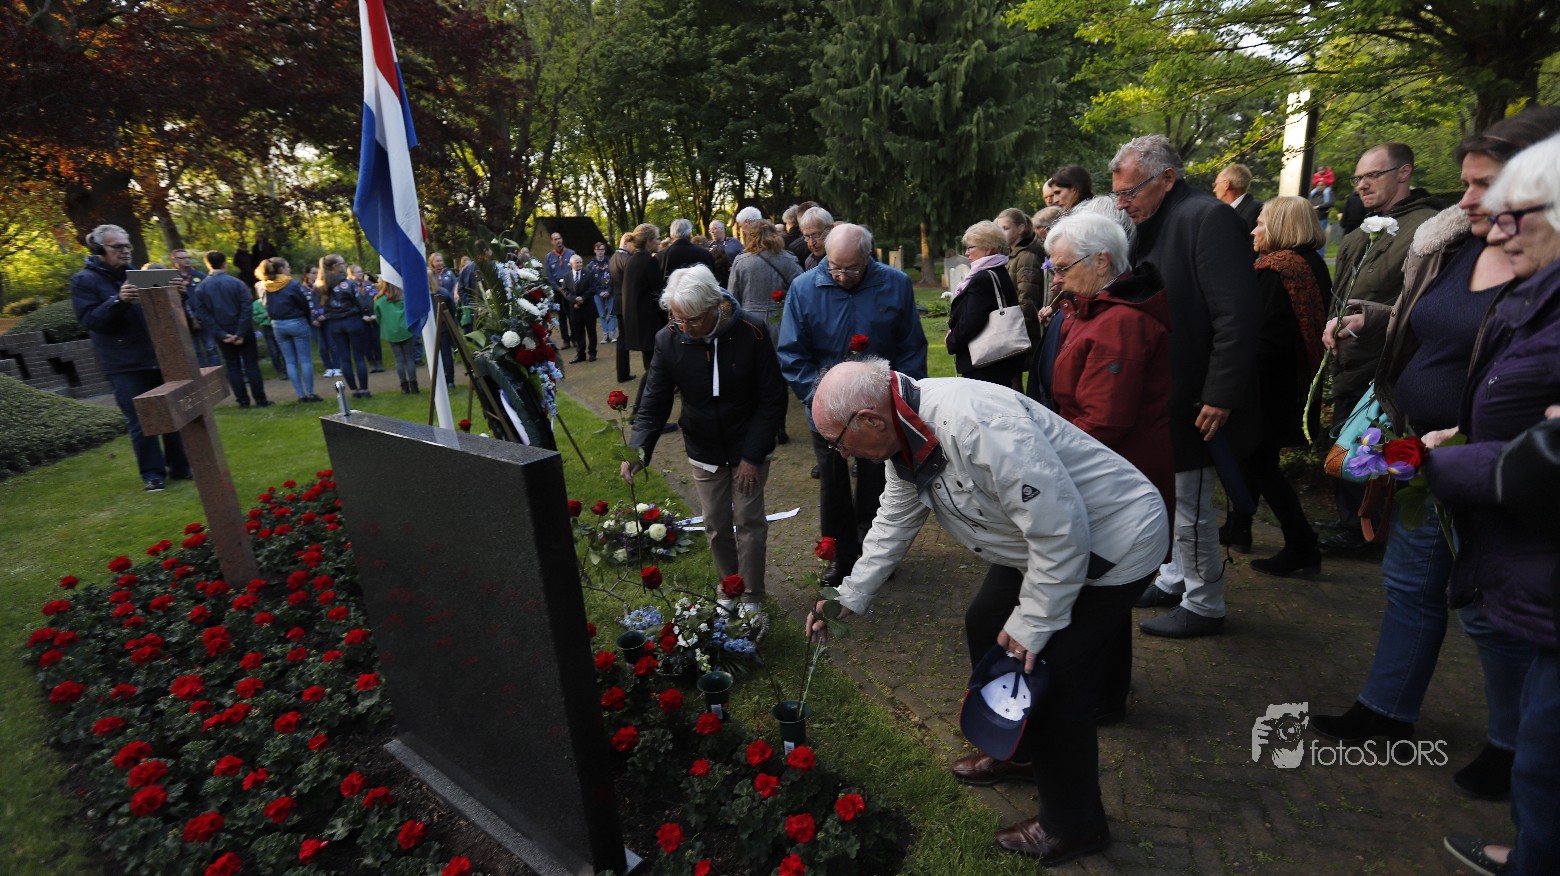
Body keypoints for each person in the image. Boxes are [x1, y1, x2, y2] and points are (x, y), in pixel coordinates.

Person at [806, 359, 1169, 868]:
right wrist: (848, 595)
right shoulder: (904, 430)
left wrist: (1033, 623)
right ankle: (1020, 750)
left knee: (1053, 679)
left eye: (839, 442)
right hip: (1036, 543)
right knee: (985, 622)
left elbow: (1062, 531)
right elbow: (895, 519)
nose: (841, 454)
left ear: (869, 418)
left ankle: (1075, 826)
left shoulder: (978, 424)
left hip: (1111, 542)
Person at [1312, 110, 1560, 808]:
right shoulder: (1448, 245)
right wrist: (1372, 319)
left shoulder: (1539, 263)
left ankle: (1514, 745)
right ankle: (1386, 709)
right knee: (1409, 583)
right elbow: (1426, 320)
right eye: (1467, 183)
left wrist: (1475, 441)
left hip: (1492, 463)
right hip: (1419, 448)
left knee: (1491, 610)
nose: (1469, 200)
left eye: (1486, 186)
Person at [1424, 132, 1560, 876]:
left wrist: (1451, 463)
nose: (1497, 231)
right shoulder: (1536, 294)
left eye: (1513, 213)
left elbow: (1544, 461)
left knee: (1545, 753)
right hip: (1531, 563)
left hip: (1537, 554)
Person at [1109, 134, 1260, 639]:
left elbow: (1236, 314)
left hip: (1195, 391)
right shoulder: (1157, 220)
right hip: (1165, 389)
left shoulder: (1208, 218)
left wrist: (1220, 393)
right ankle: (1175, 578)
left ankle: (1204, 602)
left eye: (1130, 192)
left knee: (1191, 501)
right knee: (1171, 494)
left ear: (1167, 178)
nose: (1122, 204)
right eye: (1118, 194)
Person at [621, 264, 787, 612]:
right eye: (677, 318)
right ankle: (729, 589)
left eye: (692, 320)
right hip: (703, 446)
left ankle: (752, 597)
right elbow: (653, 402)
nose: (684, 327)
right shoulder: (668, 339)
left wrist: (752, 456)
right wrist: (638, 450)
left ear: (714, 306)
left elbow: (772, 398)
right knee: (715, 524)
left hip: (748, 443)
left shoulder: (751, 331)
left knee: (748, 521)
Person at [777, 223, 929, 587]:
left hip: (879, 412)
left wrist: (897, 400)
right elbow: (792, 353)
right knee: (832, 484)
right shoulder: (804, 288)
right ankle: (840, 556)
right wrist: (820, 400)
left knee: (879, 482)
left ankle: (874, 554)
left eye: (851, 269)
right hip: (826, 411)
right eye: (835, 268)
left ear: (867, 256)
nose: (842, 276)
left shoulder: (895, 284)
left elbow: (910, 347)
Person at [1322, 143, 1441, 555]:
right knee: (1347, 438)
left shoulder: (1426, 229)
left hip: (1385, 363)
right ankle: (1349, 520)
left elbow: (1420, 304)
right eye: (1358, 178)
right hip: (1349, 356)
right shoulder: (1364, 229)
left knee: (1371, 443)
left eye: (1372, 175)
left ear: (1403, 173)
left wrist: (1369, 322)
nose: (1361, 185)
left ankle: (1367, 529)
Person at [1223, 196, 1330, 575]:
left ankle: (1301, 543)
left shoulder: (1276, 269)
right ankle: (1239, 527)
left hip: (1267, 384)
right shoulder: (1310, 264)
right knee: (1257, 459)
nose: (1254, 230)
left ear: (1282, 226)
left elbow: (1264, 337)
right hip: (1293, 382)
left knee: (1257, 460)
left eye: (1261, 223)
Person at [70, 224, 192, 492]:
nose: (125, 251)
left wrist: (178, 295)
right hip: (124, 362)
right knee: (141, 420)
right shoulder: (84, 280)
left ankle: (180, 466)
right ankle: (152, 474)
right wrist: (118, 301)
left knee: (170, 412)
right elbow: (90, 320)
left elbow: (164, 314)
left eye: (127, 246)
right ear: (99, 249)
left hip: (157, 355)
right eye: (118, 247)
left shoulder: (138, 275)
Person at [729, 222, 804, 445]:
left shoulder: (741, 262)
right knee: (778, 378)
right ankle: (779, 426)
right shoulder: (787, 259)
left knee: (753, 376)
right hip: (780, 322)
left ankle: (758, 426)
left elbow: (733, 297)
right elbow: (801, 290)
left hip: (750, 324)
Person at [946, 220, 1024, 388]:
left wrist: (951, 340)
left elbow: (972, 321)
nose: (967, 253)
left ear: (988, 248)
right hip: (999, 360)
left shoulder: (983, 278)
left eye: (970, 247)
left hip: (985, 362)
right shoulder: (998, 271)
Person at [191, 250, 270, 409]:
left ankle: (242, 401)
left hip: (223, 329)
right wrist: (240, 332)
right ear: (224, 264)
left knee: (232, 366)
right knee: (251, 364)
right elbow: (246, 307)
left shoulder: (201, 288)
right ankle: (260, 400)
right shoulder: (237, 283)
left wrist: (222, 334)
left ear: (208, 265)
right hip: (240, 328)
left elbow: (203, 313)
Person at [259, 257, 319, 402]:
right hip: (297, 322)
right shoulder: (292, 284)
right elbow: (303, 303)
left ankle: (300, 394)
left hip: (278, 325)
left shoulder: (266, 286)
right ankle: (310, 393)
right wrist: (307, 318)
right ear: (281, 269)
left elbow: (265, 305)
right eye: (287, 267)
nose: (289, 269)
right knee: (305, 360)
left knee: (290, 361)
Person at [622, 224, 666, 409]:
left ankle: (644, 411)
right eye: (657, 238)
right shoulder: (649, 261)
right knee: (654, 370)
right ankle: (640, 410)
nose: (659, 241)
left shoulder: (632, 260)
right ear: (648, 241)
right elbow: (659, 295)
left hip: (637, 324)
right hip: (649, 324)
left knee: (653, 369)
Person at [318, 254, 372, 398]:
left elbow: (320, 306)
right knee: (359, 357)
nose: (345, 265)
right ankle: (364, 390)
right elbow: (360, 302)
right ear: (335, 267)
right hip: (353, 321)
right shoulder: (349, 284)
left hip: (334, 325)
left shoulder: (321, 285)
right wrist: (364, 313)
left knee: (344, 359)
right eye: (343, 263)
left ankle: (354, 391)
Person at [996, 207, 1048, 343]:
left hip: (1024, 334)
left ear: (1020, 229)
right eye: (999, 229)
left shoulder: (1027, 257)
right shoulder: (1012, 254)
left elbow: (1027, 300)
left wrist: (1016, 332)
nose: (1001, 233)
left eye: (1006, 228)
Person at [171, 248, 218, 368]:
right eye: (182, 258)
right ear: (175, 260)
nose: (186, 260)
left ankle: (216, 375)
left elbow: (209, 295)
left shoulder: (199, 275)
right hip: (184, 321)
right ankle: (201, 376)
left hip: (203, 318)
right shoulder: (171, 278)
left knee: (211, 348)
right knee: (195, 352)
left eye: (188, 257)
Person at [374, 280, 418, 394]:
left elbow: (378, 317)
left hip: (390, 332)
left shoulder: (379, 300)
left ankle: (404, 387)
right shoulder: (404, 297)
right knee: (409, 358)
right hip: (406, 330)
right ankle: (414, 386)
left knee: (399, 360)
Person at [428, 252, 459, 387]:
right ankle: (448, 380)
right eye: (437, 261)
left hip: (439, 326)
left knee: (441, 353)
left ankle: (446, 380)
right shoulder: (441, 292)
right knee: (444, 353)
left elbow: (452, 307)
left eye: (441, 260)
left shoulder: (445, 285)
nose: (440, 262)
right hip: (440, 326)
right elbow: (452, 309)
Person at [544, 231, 577, 349]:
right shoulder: (549, 257)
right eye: (555, 239)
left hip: (570, 288)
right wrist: (558, 288)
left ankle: (575, 339)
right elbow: (549, 276)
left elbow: (575, 271)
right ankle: (566, 340)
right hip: (557, 290)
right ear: (552, 242)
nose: (558, 241)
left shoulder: (571, 253)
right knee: (561, 316)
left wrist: (569, 286)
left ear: (562, 239)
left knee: (572, 315)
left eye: (559, 238)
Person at [610, 232, 636, 383]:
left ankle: (623, 372)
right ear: (626, 242)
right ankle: (623, 373)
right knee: (624, 339)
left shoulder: (613, 257)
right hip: (626, 303)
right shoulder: (626, 259)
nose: (635, 248)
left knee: (622, 338)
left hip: (618, 302)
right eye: (633, 245)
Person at [563, 253, 598, 363]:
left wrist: (582, 299)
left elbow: (592, 289)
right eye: (577, 262)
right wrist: (575, 299)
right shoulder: (567, 276)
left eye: (581, 262)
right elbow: (565, 291)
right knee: (578, 332)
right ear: (571, 264)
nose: (579, 264)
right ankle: (580, 354)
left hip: (588, 308)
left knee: (591, 332)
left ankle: (592, 353)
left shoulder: (589, 274)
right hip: (575, 309)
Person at [349, 264, 383, 373]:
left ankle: (379, 362)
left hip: (373, 317)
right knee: (365, 342)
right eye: (358, 272)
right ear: (352, 274)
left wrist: (375, 314)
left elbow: (377, 298)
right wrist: (361, 316)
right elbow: (351, 304)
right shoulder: (350, 287)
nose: (360, 274)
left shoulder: (369, 284)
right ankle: (371, 363)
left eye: (361, 271)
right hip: (360, 318)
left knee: (376, 341)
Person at [1214, 164, 1263, 232]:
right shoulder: (1223, 211)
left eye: (1216, 184)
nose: (1214, 189)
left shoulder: (1256, 211)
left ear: (1226, 184)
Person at [587, 240, 615, 343]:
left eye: (602, 249)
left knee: (612, 314)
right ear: (595, 251)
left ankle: (612, 334)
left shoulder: (610, 263)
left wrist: (608, 291)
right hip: (597, 293)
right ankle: (605, 335)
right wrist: (599, 292)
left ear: (605, 251)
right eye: (598, 250)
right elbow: (591, 281)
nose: (600, 252)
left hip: (610, 291)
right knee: (602, 314)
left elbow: (613, 278)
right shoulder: (591, 265)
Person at [796, 206, 833, 270]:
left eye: (815, 235)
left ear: (830, 230)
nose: (811, 243)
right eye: (807, 237)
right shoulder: (809, 262)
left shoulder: (846, 257)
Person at [706, 219, 742, 286]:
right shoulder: (707, 245)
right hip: (713, 280)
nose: (712, 231)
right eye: (710, 230)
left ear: (722, 229)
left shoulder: (734, 242)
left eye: (715, 228)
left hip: (731, 278)